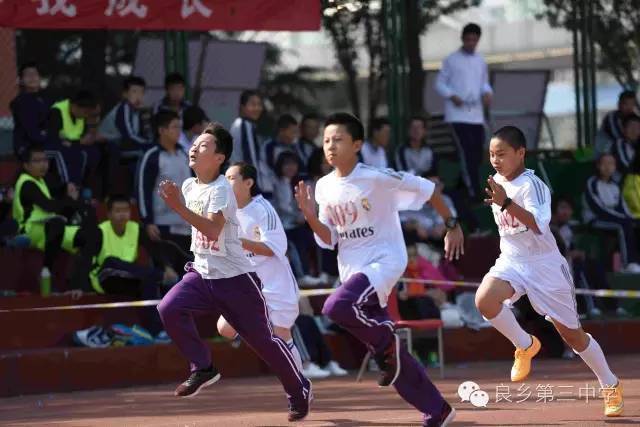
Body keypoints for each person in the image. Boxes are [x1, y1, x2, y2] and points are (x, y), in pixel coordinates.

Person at [294, 112, 463, 426]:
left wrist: (451, 224)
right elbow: (329, 239)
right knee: (391, 355)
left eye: (338, 139)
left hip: (385, 262)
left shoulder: (376, 177)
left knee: (335, 307)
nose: (329, 145)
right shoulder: (323, 187)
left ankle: (385, 337)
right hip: (354, 273)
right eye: (326, 140)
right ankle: (438, 410)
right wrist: (310, 216)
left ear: (357, 144)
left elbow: (429, 189)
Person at [155, 123, 311, 421]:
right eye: (195, 143)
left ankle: (298, 389)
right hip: (202, 274)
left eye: (202, 146)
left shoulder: (222, 190)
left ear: (219, 157)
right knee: (168, 308)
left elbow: (213, 230)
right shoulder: (189, 186)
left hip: (236, 281)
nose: (193, 148)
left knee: (265, 343)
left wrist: (176, 207)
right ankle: (203, 367)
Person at [476, 126, 623, 418]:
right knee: (484, 300)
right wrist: (501, 200)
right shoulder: (495, 183)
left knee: (573, 337)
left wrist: (506, 202)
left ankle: (610, 383)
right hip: (512, 260)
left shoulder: (534, 186)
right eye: (492, 154)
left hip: (545, 266)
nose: (496, 160)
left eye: (502, 154)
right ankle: (525, 344)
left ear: (521, 153)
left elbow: (538, 224)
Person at [217, 162, 303, 372]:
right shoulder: (225, 212)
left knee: (283, 336)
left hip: (276, 283)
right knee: (225, 328)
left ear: (248, 183)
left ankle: (300, 384)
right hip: (248, 285)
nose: (225, 183)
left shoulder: (263, 209)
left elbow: (276, 248)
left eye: (231, 178)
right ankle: (263, 337)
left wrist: (239, 241)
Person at [12, 145, 99, 291]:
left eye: (45, 160)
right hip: (30, 230)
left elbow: (59, 190)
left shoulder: (41, 180)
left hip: (48, 230)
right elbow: (49, 206)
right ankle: (46, 271)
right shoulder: (26, 183)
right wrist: (72, 201)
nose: (43, 164)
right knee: (57, 222)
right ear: (26, 165)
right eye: (37, 161)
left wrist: (69, 190)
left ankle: (80, 283)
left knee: (90, 235)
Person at [89, 194, 178, 338]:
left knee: (150, 282)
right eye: (118, 211)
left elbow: (153, 248)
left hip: (128, 277)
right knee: (110, 261)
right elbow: (85, 260)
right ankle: (158, 275)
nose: (122, 215)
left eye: (125, 210)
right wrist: (79, 286)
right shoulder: (99, 231)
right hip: (105, 278)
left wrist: (167, 266)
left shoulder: (135, 228)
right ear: (109, 214)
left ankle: (158, 332)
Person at [435, 23, 492, 199]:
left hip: (476, 115)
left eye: (474, 40)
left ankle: (468, 186)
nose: (471, 43)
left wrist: (487, 93)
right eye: (468, 39)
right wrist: (452, 96)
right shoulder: (451, 59)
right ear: (463, 39)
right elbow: (439, 83)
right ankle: (474, 192)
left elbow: (484, 83)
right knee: (466, 152)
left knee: (477, 152)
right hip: (457, 115)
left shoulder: (480, 60)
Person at [137, 111, 192, 258]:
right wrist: (148, 221)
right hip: (162, 225)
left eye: (180, 127)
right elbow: (143, 190)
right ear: (161, 130)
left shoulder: (185, 155)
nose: (178, 131)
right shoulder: (152, 156)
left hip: (187, 225)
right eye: (174, 127)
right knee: (168, 276)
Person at [583, 153, 640, 272]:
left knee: (634, 224)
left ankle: (636, 262)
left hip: (614, 218)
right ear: (598, 166)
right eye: (605, 163)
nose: (608, 167)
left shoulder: (615, 185)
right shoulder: (592, 182)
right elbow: (598, 209)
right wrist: (623, 218)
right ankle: (628, 264)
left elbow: (622, 208)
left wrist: (631, 218)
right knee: (623, 225)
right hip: (595, 219)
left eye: (611, 164)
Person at [10, 62, 52, 160]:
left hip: (43, 142)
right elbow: (32, 132)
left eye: (35, 74)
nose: (32, 77)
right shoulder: (21, 102)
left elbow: (51, 123)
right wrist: (49, 136)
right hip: (27, 146)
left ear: (40, 78)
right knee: (62, 152)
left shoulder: (45, 99)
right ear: (21, 80)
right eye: (28, 75)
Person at [262, 114, 301, 195]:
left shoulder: (294, 147)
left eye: (296, 132)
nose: (294, 136)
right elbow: (267, 168)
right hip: (272, 189)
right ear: (282, 130)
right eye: (292, 132)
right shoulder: (269, 146)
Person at [114, 76, 153, 157]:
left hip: (136, 145)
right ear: (125, 94)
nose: (138, 96)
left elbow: (147, 131)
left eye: (141, 92)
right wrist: (147, 143)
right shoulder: (124, 108)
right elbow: (129, 134)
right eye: (134, 92)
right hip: (124, 148)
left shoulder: (140, 110)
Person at [229, 89, 263, 167]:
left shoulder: (238, 123)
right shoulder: (245, 125)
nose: (257, 108)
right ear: (242, 107)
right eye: (253, 105)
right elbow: (251, 157)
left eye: (259, 104)